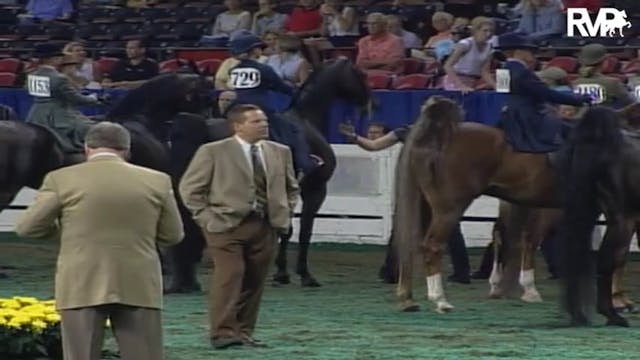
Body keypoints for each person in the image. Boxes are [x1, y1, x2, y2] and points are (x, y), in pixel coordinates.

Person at [15, 122, 184, 360]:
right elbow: (173, 234)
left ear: (86, 147)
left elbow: (27, 227)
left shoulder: (60, 179)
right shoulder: (158, 181)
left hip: (81, 280)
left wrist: (68, 233)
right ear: (127, 149)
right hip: (138, 280)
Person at [179, 104, 300, 349]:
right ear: (237, 126)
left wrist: (283, 212)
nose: (264, 125)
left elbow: (291, 186)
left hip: (266, 225)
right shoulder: (213, 151)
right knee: (230, 276)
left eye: (264, 120)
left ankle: (243, 331)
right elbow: (190, 189)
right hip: (225, 225)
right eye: (256, 121)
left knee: (255, 280)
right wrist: (207, 218)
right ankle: (222, 333)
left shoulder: (280, 151)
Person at [338, 97, 472, 284]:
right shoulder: (426, 132)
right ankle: (458, 272)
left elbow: (375, 146)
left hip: (429, 184)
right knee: (447, 227)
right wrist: (354, 138)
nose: (423, 107)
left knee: (432, 227)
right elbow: (374, 145)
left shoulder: (440, 133)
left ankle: (458, 272)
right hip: (427, 185)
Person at [226, 33, 323, 179]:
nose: (261, 50)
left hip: (236, 107)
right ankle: (306, 163)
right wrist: (296, 92)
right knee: (294, 130)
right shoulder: (264, 69)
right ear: (254, 51)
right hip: (259, 108)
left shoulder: (233, 70)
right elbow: (281, 87)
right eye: (259, 48)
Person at [494, 32, 591, 153]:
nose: (533, 55)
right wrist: (577, 100)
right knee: (572, 133)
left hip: (508, 116)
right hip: (528, 117)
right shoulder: (523, 72)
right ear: (518, 52)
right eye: (530, 51)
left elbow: (503, 94)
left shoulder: (502, 70)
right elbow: (546, 93)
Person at [25, 43, 103, 155]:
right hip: (57, 114)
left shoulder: (31, 75)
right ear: (54, 59)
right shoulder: (59, 78)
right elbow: (76, 99)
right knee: (91, 129)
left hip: (36, 113)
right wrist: (93, 98)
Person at [572, 43, 635, 109]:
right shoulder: (612, 83)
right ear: (605, 62)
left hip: (581, 119)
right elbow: (632, 102)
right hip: (607, 118)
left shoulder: (574, 83)